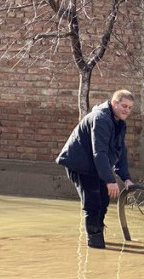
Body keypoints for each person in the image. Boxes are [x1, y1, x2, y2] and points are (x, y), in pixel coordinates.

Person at [56, 89, 135, 249]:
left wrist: (125, 177)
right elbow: (99, 152)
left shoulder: (120, 122)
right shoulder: (100, 119)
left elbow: (121, 151)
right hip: (80, 164)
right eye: (124, 106)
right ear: (114, 103)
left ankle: (97, 233)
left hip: (94, 165)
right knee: (93, 203)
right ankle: (95, 244)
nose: (127, 110)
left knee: (104, 200)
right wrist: (110, 180)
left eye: (130, 108)